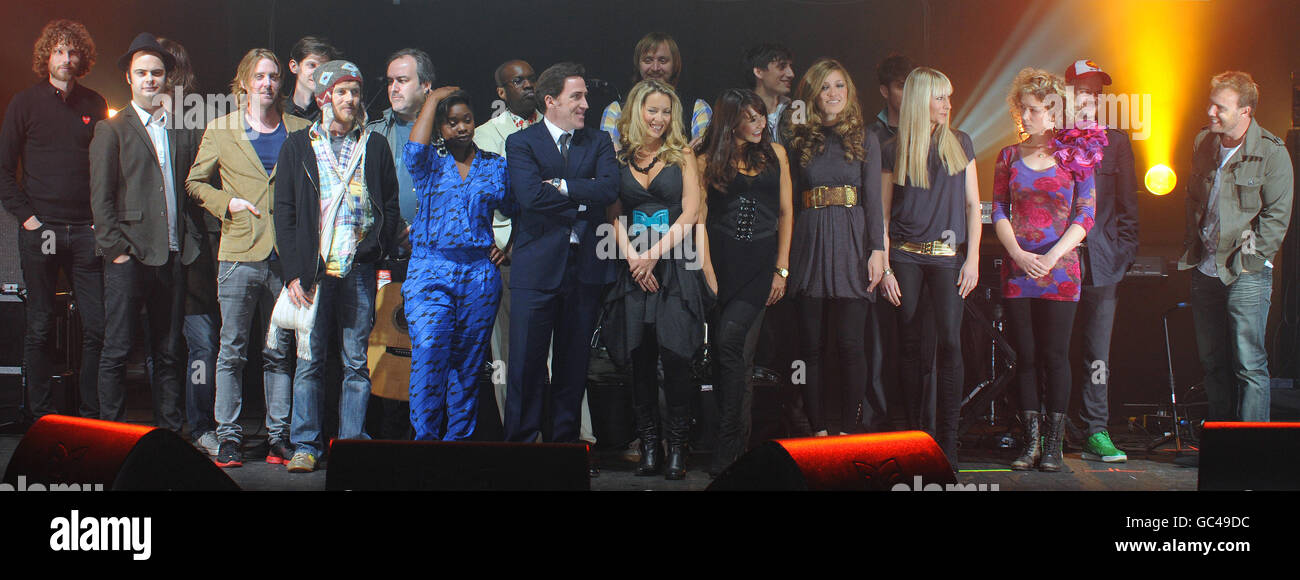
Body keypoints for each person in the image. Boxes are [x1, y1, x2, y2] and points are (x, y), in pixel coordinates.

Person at [274, 60, 402, 472]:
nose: (351, 99)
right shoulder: (298, 144)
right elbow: (286, 211)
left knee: (355, 362)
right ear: (323, 96)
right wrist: (294, 271)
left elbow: (391, 204)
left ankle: (350, 444)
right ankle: (305, 445)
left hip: (358, 269)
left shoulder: (374, 144)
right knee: (310, 360)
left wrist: (375, 249)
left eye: (356, 91)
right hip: (314, 271)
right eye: (342, 91)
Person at [187, 48, 310, 467]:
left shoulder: (300, 128)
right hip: (239, 252)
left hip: (285, 258)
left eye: (274, 76)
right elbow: (194, 182)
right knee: (232, 350)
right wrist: (228, 204)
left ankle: (279, 437)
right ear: (244, 82)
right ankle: (228, 437)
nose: (268, 83)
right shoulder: (221, 129)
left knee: (279, 350)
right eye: (259, 76)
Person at [89, 32, 202, 431]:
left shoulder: (181, 129)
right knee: (117, 349)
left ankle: (169, 433)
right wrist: (115, 250)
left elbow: (190, 188)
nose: (150, 80)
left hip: (171, 253)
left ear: (166, 78)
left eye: (156, 73)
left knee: (170, 350)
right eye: (142, 73)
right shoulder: (112, 129)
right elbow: (100, 199)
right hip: (130, 255)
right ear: (129, 78)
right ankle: (111, 433)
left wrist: (190, 241)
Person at [503, 62, 618, 447]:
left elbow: (608, 190)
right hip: (536, 271)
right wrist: (582, 198)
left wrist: (564, 187)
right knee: (524, 366)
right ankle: (521, 448)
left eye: (585, 95)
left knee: (572, 368)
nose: (586, 103)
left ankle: (566, 451)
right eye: (577, 96)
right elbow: (529, 197)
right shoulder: (521, 142)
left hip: (583, 269)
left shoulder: (598, 142)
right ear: (551, 101)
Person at [993, 67, 1099, 472]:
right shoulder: (1007, 157)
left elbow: (1086, 214)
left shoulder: (1077, 155)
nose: (1029, 115)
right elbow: (1000, 209)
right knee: (1026, 357)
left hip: (1060, 269)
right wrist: (1018, 254)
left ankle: (1053, 445)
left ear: (1055, 112)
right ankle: (1030, 442)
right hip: (1019, 268)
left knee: (1055, 356)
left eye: (1037, 109)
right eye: (1025, 108)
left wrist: (1052, 257)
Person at [0, 19, 106, 422]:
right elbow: (3, 170)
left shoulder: (95, 105)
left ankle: (91, 415)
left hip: (84, 232)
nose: (65, 58)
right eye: (59, 51)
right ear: (47, 56)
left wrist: (99, 221)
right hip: (41, 229)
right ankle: (40, 417)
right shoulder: (24, 104)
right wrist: (28, 219)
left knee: (97, 328)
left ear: (82, 58)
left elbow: (106, 169)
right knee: (40, 326)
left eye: (72, 51)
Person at [601, 80, 707, 479]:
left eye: (666, 112)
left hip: (673, 265)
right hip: (631, 268)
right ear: (636, 112)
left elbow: (691, 213)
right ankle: (648, 447)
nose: (659, 119)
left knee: (676, 357)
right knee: (640, 359)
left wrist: (652, 255)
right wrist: (633, 260)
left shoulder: (682, 155)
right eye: (652, 111)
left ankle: (677, 447)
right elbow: (610, 216)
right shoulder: (616, 157)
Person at [878, 67, 980, 466]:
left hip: (947, 257)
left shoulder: (962, 143)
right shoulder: (893, 148)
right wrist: (884, 267)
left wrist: (971, 258)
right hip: (904, 256)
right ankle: (915, 436)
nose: (947, 104)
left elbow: (974, 205)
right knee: (908, 343)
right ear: (922, 100)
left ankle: (948, 442)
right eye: (940, 97)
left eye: (949, 97)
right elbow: (883, 217)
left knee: (950, 344)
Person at [1180, 71, 1293, 423]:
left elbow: (1276, 217)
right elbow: (1194, 199)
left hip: (1245, 271)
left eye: (1220, 107)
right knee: (1213, 362)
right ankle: (1220, 445)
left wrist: (1251, 261)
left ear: (1246, 111)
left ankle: (1249, 450)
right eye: (1210, 103)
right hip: (1205, 267)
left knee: (1249, 363)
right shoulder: (1204, 143)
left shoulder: (1272, 154)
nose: (1211, 112)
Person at [402, 87, 515, 440]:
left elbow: (519, 210)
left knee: (468, 364)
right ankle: (425, 440)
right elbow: (415, 148)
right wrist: (432, 100)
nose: (462, 128)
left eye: (467, 120)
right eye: (452, 123)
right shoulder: (429, 163)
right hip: (429, 269)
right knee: (430, 348)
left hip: (478, 274)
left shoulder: (495, 166)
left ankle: (458, 445)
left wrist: (508, 246)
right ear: (440, 128)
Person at [781, 58, 885, 436]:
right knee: (810, 345)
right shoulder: (798, 138)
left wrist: (878, 250)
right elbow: (788, 201)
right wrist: (784, 259)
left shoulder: (865, 138)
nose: (833, 93)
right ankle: (818, 427)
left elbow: (873, 200)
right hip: (809, 239)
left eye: (839, 85)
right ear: (813, 95)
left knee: (850, 344)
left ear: (849, 93)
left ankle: (846, 428)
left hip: (853, 240)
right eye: (825, 87)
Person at [696, 88, 793, 476]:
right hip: (721, 267)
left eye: (761, 117)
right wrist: (709, 276)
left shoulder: (777, 155)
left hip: (760, 267)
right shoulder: (707, 160)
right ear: (730, 121)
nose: (759, 124)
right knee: (730, 360)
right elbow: (699, 220)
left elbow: (786, 213)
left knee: (731, 345)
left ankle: (728, 452)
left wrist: (781, 269)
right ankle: (737, 450)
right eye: (750, 118)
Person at [1064, 59, 1139, 462]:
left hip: (1104, 264)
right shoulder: (1050, 140)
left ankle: (1096, 430)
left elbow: (1129, 207)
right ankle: (1050, 427)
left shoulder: (1117, 142)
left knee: (1098, 355)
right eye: (1081, 91)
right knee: (1053, 350)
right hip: (1059, 262)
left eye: (1095, 93)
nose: (1089, 99)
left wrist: (1123, 255)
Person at [364, 47, 434, 440]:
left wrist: (423, 225)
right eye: (389, 80)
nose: (393, 87)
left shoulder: (448, 130)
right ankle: (381, 434)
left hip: (432, 258)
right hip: (385, 255)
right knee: (381, 343)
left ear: (426, 86)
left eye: (402, 80)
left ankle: (422, 434)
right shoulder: (374, 131)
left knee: (426, 347)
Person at [158, 36, 220, 455]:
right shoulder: (133, 122)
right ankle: (166, 427)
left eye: (163, 67)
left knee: (202, 342)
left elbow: (206, 183)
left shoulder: (199, 117)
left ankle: (199, 426)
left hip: (196, 250)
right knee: (163, 344)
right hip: (155, 252)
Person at [473, 59, 539, 425]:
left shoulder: (554, 127)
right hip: (505, 255)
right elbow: (478, 196)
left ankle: (576, 439)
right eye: (518, 81)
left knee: (556, 351)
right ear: (501, 92)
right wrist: (491, 243)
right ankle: (516, 432)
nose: (528, 85)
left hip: (550, 250)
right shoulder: (485, 134)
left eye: (531, 79)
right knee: (506, 353)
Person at [600, 32, 712, 149]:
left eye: (662, 61)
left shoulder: (698, 108)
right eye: (648, 60)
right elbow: (609, 160)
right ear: (638, 65)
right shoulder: (615, 111)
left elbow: (701, 156)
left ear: (675, 65)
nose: (655, 68)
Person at [742, 43, 794, 144]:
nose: (791, 74)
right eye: (782, 66)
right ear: (759, 72)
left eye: (790, 67)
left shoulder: (796, 109)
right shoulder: (739, 113)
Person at [285, 36, 338, 123]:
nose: (318, 73)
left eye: (324, 67)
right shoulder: (278, 111)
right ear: (294, 67)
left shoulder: (333, 114)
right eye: (312, 65)